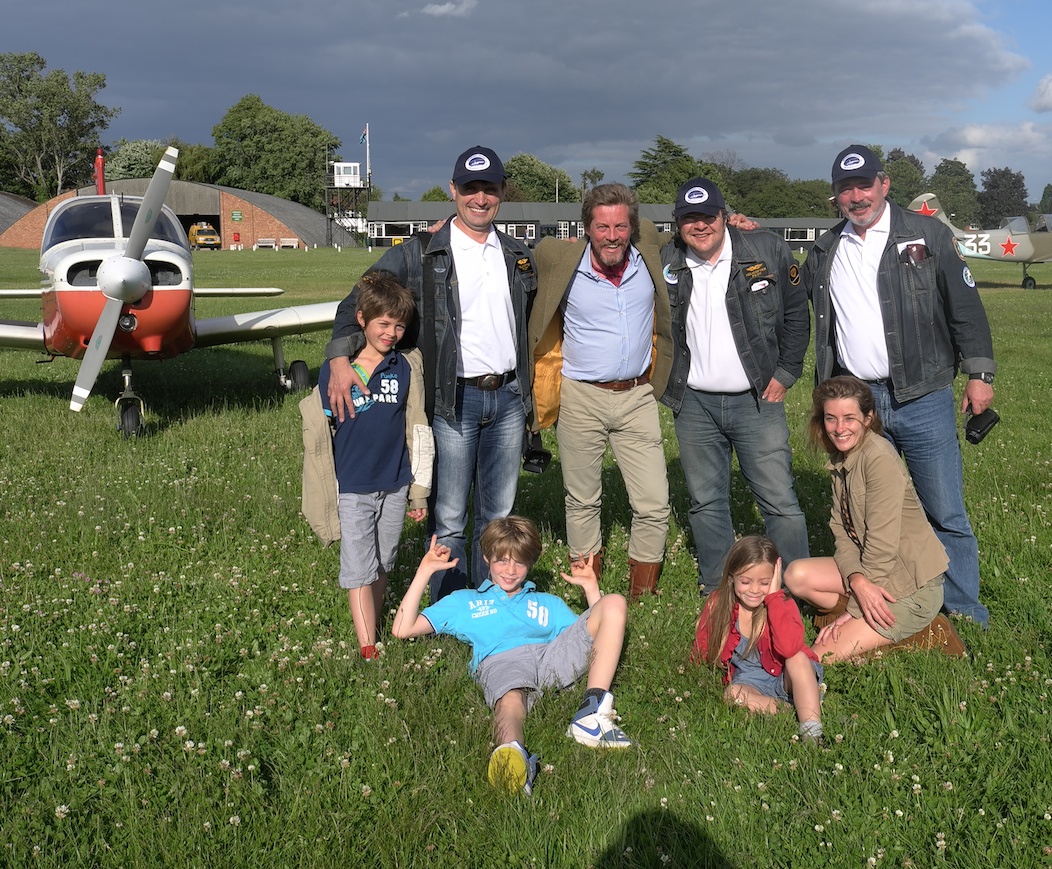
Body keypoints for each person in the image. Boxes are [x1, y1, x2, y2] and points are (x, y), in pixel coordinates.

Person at [324, 146, 536, 600]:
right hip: (452, 400)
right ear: (453, 190)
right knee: (450, 517)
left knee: (499, 515)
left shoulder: (518, 254)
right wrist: (339, 359)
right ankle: (449, 608)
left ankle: (491, 607)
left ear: (502, 192)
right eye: (471, 188)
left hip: (509, 398)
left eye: (490, 188)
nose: (481, 198)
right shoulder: (421, 252)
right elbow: (356, 299)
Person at [803, 145, 995, 627]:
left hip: (923, 395)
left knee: (944, 509)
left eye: (864, 185)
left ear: (884, 184)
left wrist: (979, 374)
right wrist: (745, 233)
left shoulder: (928, 235)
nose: (856, 197)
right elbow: (788, 295)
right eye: (846, 189)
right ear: (836, 196)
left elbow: (965, 307)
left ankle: (963, 611)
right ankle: (890, 601)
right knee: (869, 509)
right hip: (859, 406)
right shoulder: (825, 249)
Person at [391, 516, 635, 796]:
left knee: (614, 602)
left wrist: (592, 589)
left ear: (530, 564)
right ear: (486, 558)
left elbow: (598, 635)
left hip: (550, 657)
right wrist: (424, 572)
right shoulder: (465, 602)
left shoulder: (548, 603)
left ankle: (590, 714)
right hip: (502, 660)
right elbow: (402, 629)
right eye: (502, 561)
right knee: (510, 700)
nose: (510, 570)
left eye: (519, 562)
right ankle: (512, 757)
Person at [659, 177, 810, 592]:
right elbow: (616, 238)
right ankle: (717, 589)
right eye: (689, 218)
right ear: (677, 223)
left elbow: (797, 313)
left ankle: (797, 588)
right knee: (706, 502)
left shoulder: (766, 249)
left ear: (725, 216)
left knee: (779, 500)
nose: (700, 226)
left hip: (757, 399)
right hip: (694, 403)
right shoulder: (665, 258)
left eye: (708, 216)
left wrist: (786, 372)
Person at [529, 184, 674, 598]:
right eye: (602, 227)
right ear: (587, 228)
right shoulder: (559, 258)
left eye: (620, 227)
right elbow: (511, 253)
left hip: (637, 396)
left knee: (654, 502)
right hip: (580, 396)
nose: (612, 236)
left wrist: (733, 221)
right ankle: (587, 587)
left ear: (633, 227)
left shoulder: (648, 249)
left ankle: (642, 594)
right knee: (582, 500)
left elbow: (692, 232)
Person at [783, 376, 965, 662]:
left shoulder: (878, 457)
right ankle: (874, 630)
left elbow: (882, 546)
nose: (839, 428)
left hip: (910, 588)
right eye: (831, 418)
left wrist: (854, 609)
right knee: (796, 576)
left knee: (816, 658)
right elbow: (841, 531)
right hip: (873, 574)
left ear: (868, 418)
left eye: (849, 418)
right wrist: (857, 581)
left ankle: (927, 631)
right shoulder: (842, 456)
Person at [302, 272, 433, 660]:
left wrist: (418, 492)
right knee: (359, 568)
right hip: (353, 485)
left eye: (399, 326)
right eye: (383, 324)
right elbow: (322, 433)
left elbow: (416, 428)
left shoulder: (404, 366)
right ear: (361, 319)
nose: (391, 333)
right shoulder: (337, 370)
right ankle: (367, 647)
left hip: (394, 483)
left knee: (382, 562)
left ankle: (372, 627)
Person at [692, 536, 823, 742]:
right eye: (745, 582)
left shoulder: (783, 604)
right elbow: (703, 644)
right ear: (731, 578)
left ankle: (812, 732)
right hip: (750, 680)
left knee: (797, 658)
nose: (754, 590)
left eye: (764, 583)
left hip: (788, 675)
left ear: (775, 579)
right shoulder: (718, 604)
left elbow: (789, 649)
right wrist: (692, 671)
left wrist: (774, 598)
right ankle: (792, 709)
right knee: (732, 694)